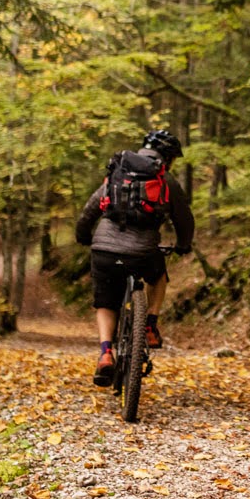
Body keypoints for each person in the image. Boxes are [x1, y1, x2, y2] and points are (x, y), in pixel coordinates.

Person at [76, 129, 194, 387]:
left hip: (104, 250)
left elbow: (91, 208)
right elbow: (184, 219)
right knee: (158, 275)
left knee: (106, 302)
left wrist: (83, 235)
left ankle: (106, 352)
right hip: (142, 252)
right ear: (169, 157)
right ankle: (150, 323)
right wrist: (184, 245)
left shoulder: (117, 172)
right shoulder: (166, 180)